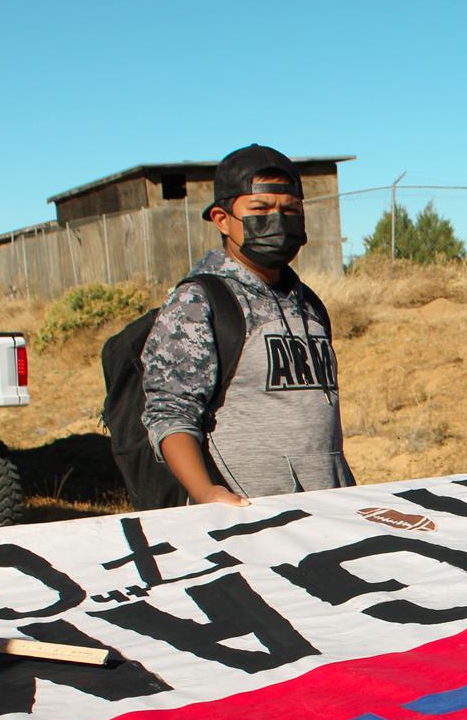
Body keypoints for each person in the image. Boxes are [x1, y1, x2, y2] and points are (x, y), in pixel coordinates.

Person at [141, 144, 351, 506]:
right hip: (246, 518)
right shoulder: (198, 301)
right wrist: (206, 493)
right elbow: (170, 411)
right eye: (260, 209)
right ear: (222, 219)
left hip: (326, 510)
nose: (278, 220)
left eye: (290, 210)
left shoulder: (309, 303)